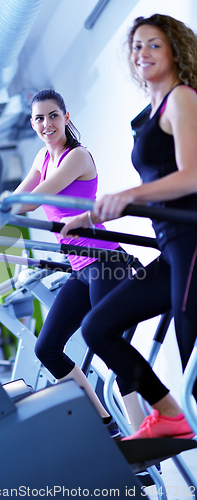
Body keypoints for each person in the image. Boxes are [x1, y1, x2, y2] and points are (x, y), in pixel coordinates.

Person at [61, 14, 197, 440]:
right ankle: (170, 413)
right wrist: (94, 215)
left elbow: (192, 176)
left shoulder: (182, 98)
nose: (143, 53)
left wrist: (130, 198)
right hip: (171, 247)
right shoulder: (153, 114)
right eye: (137, 46)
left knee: (190, 350)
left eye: (154, 44)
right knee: (97, 328)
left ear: (175, 50)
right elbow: (153, 187)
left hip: (193, 242)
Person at [14, 89, 137, 438]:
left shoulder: (77, 157)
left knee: (108, 344)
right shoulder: (42, 157)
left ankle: (146, 438)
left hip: (106, 260)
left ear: (66, 117)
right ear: (33, 123)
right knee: (47, 348)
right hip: (81, 269)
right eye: (39, 118)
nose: (46, 123)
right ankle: (105, 423)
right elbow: (19, 204)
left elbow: (35, 197)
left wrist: (1, 202)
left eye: (53, 116)